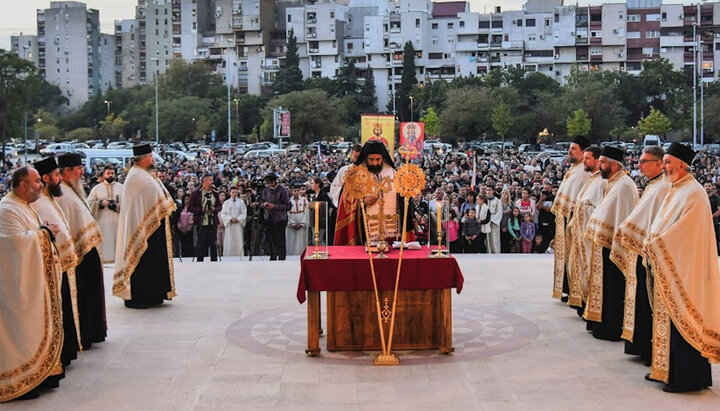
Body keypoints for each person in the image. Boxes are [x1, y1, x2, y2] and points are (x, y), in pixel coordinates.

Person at [644, 142, 720, 392]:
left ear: (681, 164)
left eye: (667, 162)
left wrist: (657, 245)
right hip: (672, 266)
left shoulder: (694, 193)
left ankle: (685, 378)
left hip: (686, 270)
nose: (663, 166)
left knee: (683, 322)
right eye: (663, 162)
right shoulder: (676, 189)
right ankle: (664, 369)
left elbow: (684, 233)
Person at [0, 167, 64, 402]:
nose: (41, 185)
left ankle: (38, 375)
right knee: (20, 334)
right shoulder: (7, 210)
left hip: (31, 282)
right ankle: (20, 381)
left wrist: (43, 232)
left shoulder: (24, 206)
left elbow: (31, 235)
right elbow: (14, 244)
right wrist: (45, 233)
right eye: (37, 181)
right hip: (16, 288)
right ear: (23, 184)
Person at [610, 145, 670, 366]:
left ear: (658, 163)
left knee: (647, 305)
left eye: (644, 161)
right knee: (640, 303)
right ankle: (641, 346)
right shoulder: (653, 186)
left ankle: (647, 348)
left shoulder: (662, 188)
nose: (639, 165)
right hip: (640, 250)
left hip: (648, 252)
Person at [583, 146, 639, 341]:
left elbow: (614, 216)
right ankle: (601, 324)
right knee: (606, 287)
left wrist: (595, 229)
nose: (600, 165)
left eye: (603, 162)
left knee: (613, 289)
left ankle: (610, 328)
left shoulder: (623, 185)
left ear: (614, 165)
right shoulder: (614, 182)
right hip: (605, 243)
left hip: (614, 246)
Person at [30, 157, 81, 367]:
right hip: (54, 264)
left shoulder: (49, 198)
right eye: (57, 175)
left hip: (63, 263)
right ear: (45, 178)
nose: (60, 179)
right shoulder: (40, 202)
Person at [113, 144, 177, 309]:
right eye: (150, 156)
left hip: (152, 226)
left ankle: (154, 294)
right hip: (143, 228)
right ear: (142, 159)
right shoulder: (136, 176)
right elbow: (150, 198)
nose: (153, 159)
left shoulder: (144, 174)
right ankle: (141, 296)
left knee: (152, 262)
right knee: (143, 262)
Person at [56, 153, 107, 350]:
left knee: (91, 295)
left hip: (87, 250)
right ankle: (85, 333)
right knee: (84, 295)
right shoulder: (61, 193)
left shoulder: (71, 190)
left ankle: (93, 332)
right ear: (66, 171)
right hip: (79, 256)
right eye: (78, 169)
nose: (81, 172)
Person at [334, 140, 414, 245]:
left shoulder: (394, 174)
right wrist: (361, 200)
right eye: (371, 159)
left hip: (393, 236)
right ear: (365, 158)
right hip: (365, 234)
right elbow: (346, 199)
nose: (375, 163)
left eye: (378, 159)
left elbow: (405, 200)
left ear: (383, 158)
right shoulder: (355, 176)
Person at [551, 136, 592, 302]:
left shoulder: (583, 171)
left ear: (583, 152)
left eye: (574, 149)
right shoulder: (575, 168)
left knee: (573, 255)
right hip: (566, 216)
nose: (570, 151)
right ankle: (567, 287)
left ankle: (574, 288)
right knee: (566, 255)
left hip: (574, 217)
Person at [566, 146, 606, 309]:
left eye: (588, 158)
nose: (584, 161)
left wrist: (580, 207)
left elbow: (598, 207)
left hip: (589, 235)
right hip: (580, 232)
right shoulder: (592, 178)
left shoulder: (602, 182)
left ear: (597, 161)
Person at [87, 165, 123, 262]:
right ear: (103, 175)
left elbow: (128, 204)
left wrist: (118, 206)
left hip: (118, 223)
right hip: (102, 223)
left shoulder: (122, 188)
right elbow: (88, 204)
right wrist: (100, 203)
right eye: (108, 173)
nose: (110, 175)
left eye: (112, 173)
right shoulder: (96, 189)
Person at [189, 174, 222, 262]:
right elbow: (190, 207)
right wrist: (201, 210)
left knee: (213, 243)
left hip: (212, 221)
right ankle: (200, 261)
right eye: (210, 180)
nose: (212, 182)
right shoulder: (196, 193)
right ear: (204, 181)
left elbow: (219, 206)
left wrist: (214, 209)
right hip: (201, 221)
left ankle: (214, 261)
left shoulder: (215, 192)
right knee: (201, 243)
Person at [261, 173, 290, 260]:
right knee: (270, 239)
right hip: (269, 217)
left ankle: (282, 257)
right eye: (268, 182)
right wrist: (264, 204)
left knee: (280, 239)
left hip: (280, 218)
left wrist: (275, 206)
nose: (270, 184)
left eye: (271, 182)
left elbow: (287, 205)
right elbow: (262, 201)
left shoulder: (282, 190)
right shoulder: (266, 190)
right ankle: (272, 256)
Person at [220, 185, 247, 257]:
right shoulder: (226, 203)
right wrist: (229, 219)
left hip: (238, 224)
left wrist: (238, 218)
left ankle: (239, 255)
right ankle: (228, 256)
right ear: (230, 193)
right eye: (233, 192)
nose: (234, 194)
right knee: (229, 241)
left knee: (239, 241)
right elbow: (223, 213)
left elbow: (244, 213)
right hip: (230, 224)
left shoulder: (241, 202)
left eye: (236, 192)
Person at [286, 185, 308, 255]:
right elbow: (287, 213)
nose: (296, 192)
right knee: (291, 241)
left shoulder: (304, 200)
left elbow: (307, 212)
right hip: (291, 223)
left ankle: (302, 254)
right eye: (294, 191)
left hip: (302, 222)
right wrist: (292, 223)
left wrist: (302, 223)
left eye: (298, 191)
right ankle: (290, 255)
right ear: (292, 192)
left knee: (302, 241)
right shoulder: (288, 200)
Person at [485, 186, 503, 253]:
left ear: (493, 191)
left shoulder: (497, 201)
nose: (488, 191)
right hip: (486, 223)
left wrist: (493, 220)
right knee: (487, 240)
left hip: (494, 223)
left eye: (489, 190)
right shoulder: (484, 200)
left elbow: (499, 212)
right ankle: (488, 252)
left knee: (495, 239)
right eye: (487, 190)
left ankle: (496, 253)